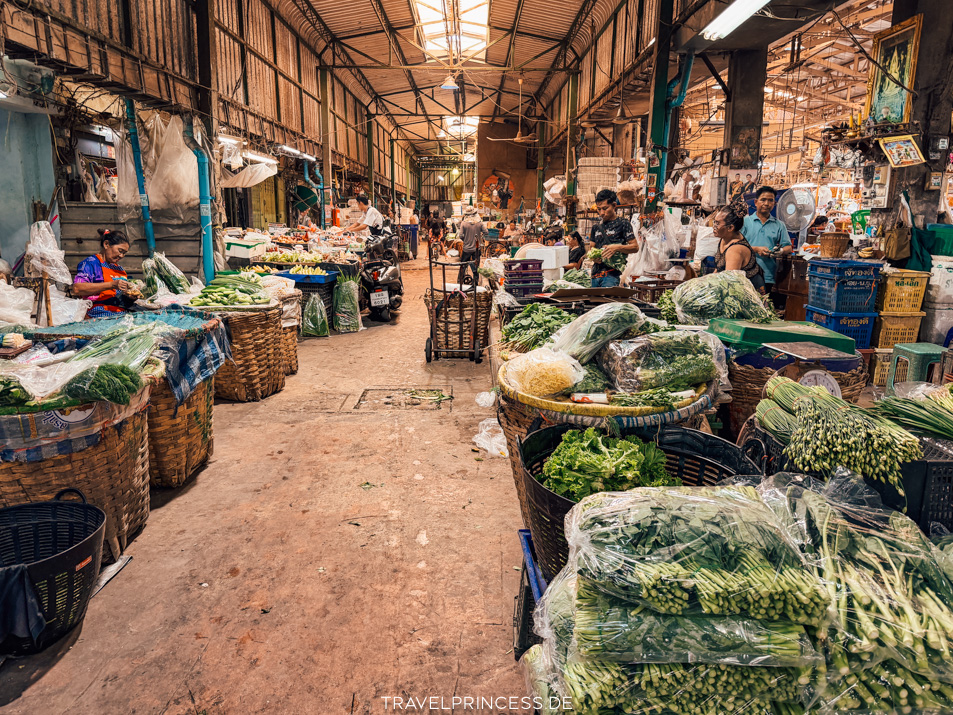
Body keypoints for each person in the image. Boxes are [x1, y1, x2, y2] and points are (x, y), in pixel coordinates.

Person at [72, 229, 137, 318]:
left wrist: (131, 295)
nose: (121, 256)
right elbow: (77, 288)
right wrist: (112, 284)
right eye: (120, 251)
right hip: (99, 314)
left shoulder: (119, 269)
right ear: (106, 244)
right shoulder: (91, 263)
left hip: (121, 313)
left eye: (124, 253)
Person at [741, 186, 792, 293]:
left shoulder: (779, 225)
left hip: (768, 274)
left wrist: (781, 251)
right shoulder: (745, 222)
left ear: (775, 203)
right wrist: (756, 249)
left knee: (764, 305)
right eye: (763, 200)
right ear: (756, 202)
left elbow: (788, 247)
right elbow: (737, 245)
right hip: (745, 272)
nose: (766, 203)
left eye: (770, 200)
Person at [587, 189, 639, 288]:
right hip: (595, 275)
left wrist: (616, 247)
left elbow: (635, 247)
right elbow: (591, 249)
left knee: (607, 302)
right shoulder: (596, 227)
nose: (602, 213)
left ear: (614, 206)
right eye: (599, 209)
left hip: (611, 276)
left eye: (605, 208)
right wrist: (593, 257)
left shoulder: (623, 224)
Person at [712, 201, 766, 293]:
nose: (714, 226)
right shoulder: (725, 238)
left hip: (749, 295)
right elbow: (719, 269)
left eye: (717, 223)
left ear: (730, 228)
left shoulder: (735, 250)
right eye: (714, 222)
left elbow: (729, 283)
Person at [457, 206, 486, 282]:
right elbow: (486, 232)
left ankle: (459, 281)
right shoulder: (479, 223)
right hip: (476, 249)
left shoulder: (463, 223)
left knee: (463, 266)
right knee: (476, 267)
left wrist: (465, 240)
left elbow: (460, 235)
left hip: (466, 249)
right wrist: (480, 235)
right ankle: (475, 283)